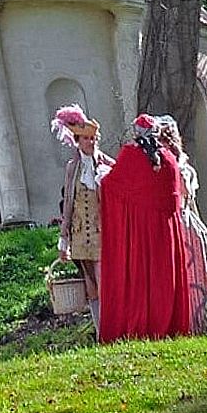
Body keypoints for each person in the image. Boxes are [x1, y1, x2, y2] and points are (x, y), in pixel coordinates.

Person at [97, 114, 192, 344]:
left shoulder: (130, 156)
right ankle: (167, 324)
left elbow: (112, 186)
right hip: (165, 236)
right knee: (163, 279)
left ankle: (138, 326)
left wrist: (103, 174)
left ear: (136, 134)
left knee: (139, 278)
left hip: (139, 236)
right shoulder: (169, 159)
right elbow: (172, 200)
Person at [51, 105, 115, 333]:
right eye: (86, 139)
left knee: (105, 282)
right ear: (77, 141)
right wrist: (63, 241)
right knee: (91, 287)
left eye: (93, 138)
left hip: (101, 233)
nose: (91, 142)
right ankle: (100, 331)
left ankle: (111, 329)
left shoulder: (106, 164)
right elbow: (68, 202)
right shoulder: (73, 168)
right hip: (80, 235)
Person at [157, 115, 207, 334]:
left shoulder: (182, 166)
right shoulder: (160, 164)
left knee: (195, 271)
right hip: (169, 224)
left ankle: (199, 322)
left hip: (184, 223)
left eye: (165, 139)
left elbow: (187, 197)